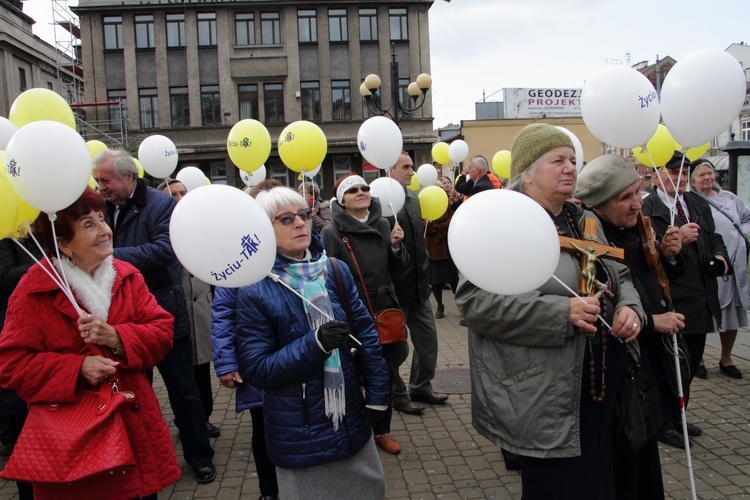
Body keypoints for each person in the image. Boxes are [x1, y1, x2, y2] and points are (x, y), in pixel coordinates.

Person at [455, 124, 645, 499]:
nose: (570, 168)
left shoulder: (583, 218)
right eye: (557, 160)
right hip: (544, 396)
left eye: (573, 160)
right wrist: (562, 313)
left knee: (599, 484)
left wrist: (629, 308)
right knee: (557, 488)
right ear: (527, 169)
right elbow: (476, 303)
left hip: (600, 388)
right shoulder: (501, 220)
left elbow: (619, 274)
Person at [0, 188, 180, 499]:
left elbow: (162, 331)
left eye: (102, 219)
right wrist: (76, 368)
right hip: (73, 439)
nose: (104, 230)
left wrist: (117, 337)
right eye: (88, 224)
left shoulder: (127, 275)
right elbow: (12, 365)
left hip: (132, 424)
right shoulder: (34, 288)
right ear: (63, 243)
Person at [234, 186, 389, 498]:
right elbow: (260, 370)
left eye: (304, 214)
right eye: (287, 219)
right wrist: (315, 344)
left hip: (351, 421)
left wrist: (377, 396)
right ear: (265, 229)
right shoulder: (255, 289)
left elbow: (367, 336)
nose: (300, 223)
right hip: (301, 432)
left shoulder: (334, 269)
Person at [92, 149, 216, 483]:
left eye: (105, 179)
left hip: (164, 314)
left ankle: (199, 456)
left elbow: (164, 251)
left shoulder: (163, 206)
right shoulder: (100, 207)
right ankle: (138, 453)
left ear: (128, 177)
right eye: (97, 180)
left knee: (183, 391)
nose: (100, 186)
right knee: (134, 393)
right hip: (120, 318)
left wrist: (109, 255)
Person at [575, 154, 687, 498]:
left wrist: (670, 257)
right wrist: (653, 322)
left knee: (646, 454)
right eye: (625, 198)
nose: (637, 203)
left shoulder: (643, 228)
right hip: (622, 369)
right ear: (600, 205)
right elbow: (606, 308)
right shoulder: (592, 242)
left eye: (638, 192)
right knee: (626, 455)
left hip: (652, 361)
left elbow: (656, 283)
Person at [642, 151, 729, 447]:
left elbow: (715, 236)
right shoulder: (647, 208)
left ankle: (678, 414)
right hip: (673, 298)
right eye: (673, 173)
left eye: (684, 174)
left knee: (689, 366)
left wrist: (720, 256)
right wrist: (676, 237)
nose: (679, 180)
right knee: (672, 365)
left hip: (701, 298)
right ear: (656, 175)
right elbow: (647, 253)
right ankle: (665, 422)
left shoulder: (696, 203)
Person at [321, 174, 409, 453]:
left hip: (384, 308)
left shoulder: (384, 224)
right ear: (341, 201)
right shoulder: (331, 232)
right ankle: (357, 428)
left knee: (385, 369)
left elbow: (398, 269)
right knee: (356, 372)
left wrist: (396, 246)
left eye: (365, 187)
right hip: (353, 310)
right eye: (353, 190)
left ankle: (382, 429)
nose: (361, 192)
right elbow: (329, 278)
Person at [212, 181, 280, 500]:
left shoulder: (302, 249)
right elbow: (222, 312)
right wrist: (226, 361)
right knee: (264, 429)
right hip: (256, 363)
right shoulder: (236, 257)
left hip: (300, 362)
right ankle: (269, 491)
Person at [158, 178, 220, 438]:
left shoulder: (200, 227)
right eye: (173, 194)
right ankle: (188, 420)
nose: (180, 197)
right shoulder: (160, 231)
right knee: (183, 374)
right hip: (176, 311)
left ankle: (203, 416)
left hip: (202, 308)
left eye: (183, 192)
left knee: (202, 368)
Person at [389, 152, 450, 412]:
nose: (411, 171)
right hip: (393, 289)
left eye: (412, 166)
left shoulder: (413, 198)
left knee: (428, 341)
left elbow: (418, 241)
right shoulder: (378, 200)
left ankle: (421, 387)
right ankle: (397, 395)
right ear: (389, 169)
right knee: (394, 346)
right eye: (405, 166)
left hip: (419, 286)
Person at [690, 158, 750, 379]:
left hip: (732, 267)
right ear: (692, 181)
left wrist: (742, 237)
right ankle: (700, 358)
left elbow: (746, 218)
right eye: (701, 175)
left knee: (732, 314)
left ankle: (726, 358)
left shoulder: (730, 199)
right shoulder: (690, 202)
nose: (707, 178)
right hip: (708, 267)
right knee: (706, 313)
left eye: (709, 173)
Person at [0, 234, 41, 500]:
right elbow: (4, 277)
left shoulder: (38, 232)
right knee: (24, 443)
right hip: (13, 339)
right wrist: (48, 264)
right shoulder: (5, 238)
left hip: (36, 343)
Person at [425, 176, 460, 320]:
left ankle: (462, 305)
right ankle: (440, 305)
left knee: (453, 280)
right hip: (432, 250)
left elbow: (452, 221)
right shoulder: (424, 205)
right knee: (435, 281)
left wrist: (437, 229)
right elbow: (423, 224)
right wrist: (438, 228)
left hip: (447, 249)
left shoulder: (448, 204)